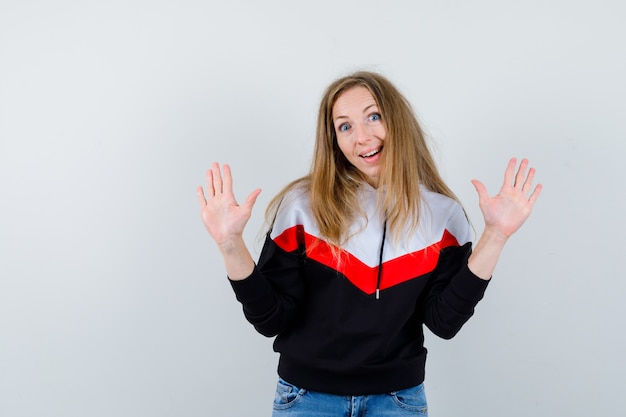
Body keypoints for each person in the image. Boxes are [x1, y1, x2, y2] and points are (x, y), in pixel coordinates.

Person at [196, 71, 541, 416]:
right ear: (334, 140)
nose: (362, 137)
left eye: (373, 117)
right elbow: (271, 319)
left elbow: (443, 322)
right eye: (345, 127)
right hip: (306, 398)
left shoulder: (443, 216)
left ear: (398, 121)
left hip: (397, 400)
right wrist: (230, 244)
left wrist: (495, 236)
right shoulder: (301, 206)